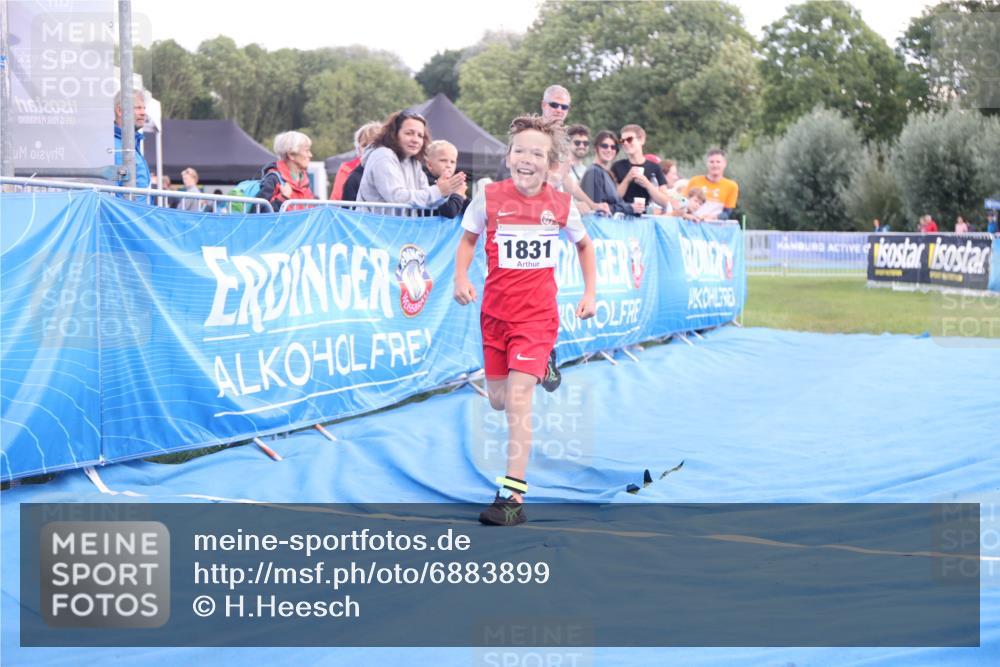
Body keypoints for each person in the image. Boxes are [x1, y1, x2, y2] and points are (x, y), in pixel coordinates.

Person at [453, 115, 597, 526]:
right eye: (520, 150)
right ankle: (543, 364)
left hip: (537, 319)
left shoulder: (561, 205)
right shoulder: (488, 197)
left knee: (517, 399)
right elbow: (467, 240)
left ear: (551, 164)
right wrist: (461, 276)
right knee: (498, 401)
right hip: (495, 317)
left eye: (537, 153)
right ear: (509, 156)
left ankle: (512, 497)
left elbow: (586, 248)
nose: (527, 158)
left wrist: (590, 293)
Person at [357, 110, 465, 213]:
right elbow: (396, 197)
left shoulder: (414, 162)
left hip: (398, 229)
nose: (415, 140)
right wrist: (439, 191)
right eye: (409, 133)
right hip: (374, 229)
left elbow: (427, 200)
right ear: (394, 134)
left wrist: (446, 193)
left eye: (420, 135)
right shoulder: (383, 155)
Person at [610, 124, 671, 212]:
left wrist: (647, 184)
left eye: (629, 139)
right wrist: (627, 179)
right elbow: (613, 198)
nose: (625, 143)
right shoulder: (617, 166)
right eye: (622, 141)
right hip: (622, 218)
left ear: (641, 140)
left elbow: (665, 202)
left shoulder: (655, 167)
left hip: (646, 218)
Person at [580, 130, 640, 217]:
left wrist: (632, 207)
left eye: (613, 147)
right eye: (604, 146)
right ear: (596, 148)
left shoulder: (606, 173)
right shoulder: (594, 172)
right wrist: (630, 208)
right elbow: (599, 209)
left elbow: (614, 205)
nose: (609, 150)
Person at [259, 131, 317, 211]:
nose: (310, 155)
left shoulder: (305, 181)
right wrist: (282, 198)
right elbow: (259, 213)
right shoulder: (273, 179)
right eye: (306, 151)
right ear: (291, 155)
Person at [114, 88, 150, 200]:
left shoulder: (132, 143)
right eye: (138, 108)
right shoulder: (112, 147)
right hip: (126, 215)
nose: (143, 113)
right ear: (120, 111)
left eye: (144, 108)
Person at [332, 121, 381, 201]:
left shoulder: (397, 168)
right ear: (358, 148)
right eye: (364, 145)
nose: (369, 149)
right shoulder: (347, 170)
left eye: (375, 145)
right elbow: (337, 200)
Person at [685, 148, 739, 220]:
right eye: (711, 162)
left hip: (715, 227)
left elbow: (727, 213)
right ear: (707, 163)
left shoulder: (732, 186)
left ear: (724, 164)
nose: (715, 165)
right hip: (693, 224)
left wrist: (714, 217)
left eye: (718, 162)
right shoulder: (694, 181)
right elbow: (683, 202)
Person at [423, 140, 467, 218]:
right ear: (430, 165)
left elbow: (470, 211)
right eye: (443, 160)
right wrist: (458, 194)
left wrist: (464, 197)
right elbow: (450, 211)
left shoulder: (452, 182)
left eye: (452, 162)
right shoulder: (425, 181)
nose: (449, 165)